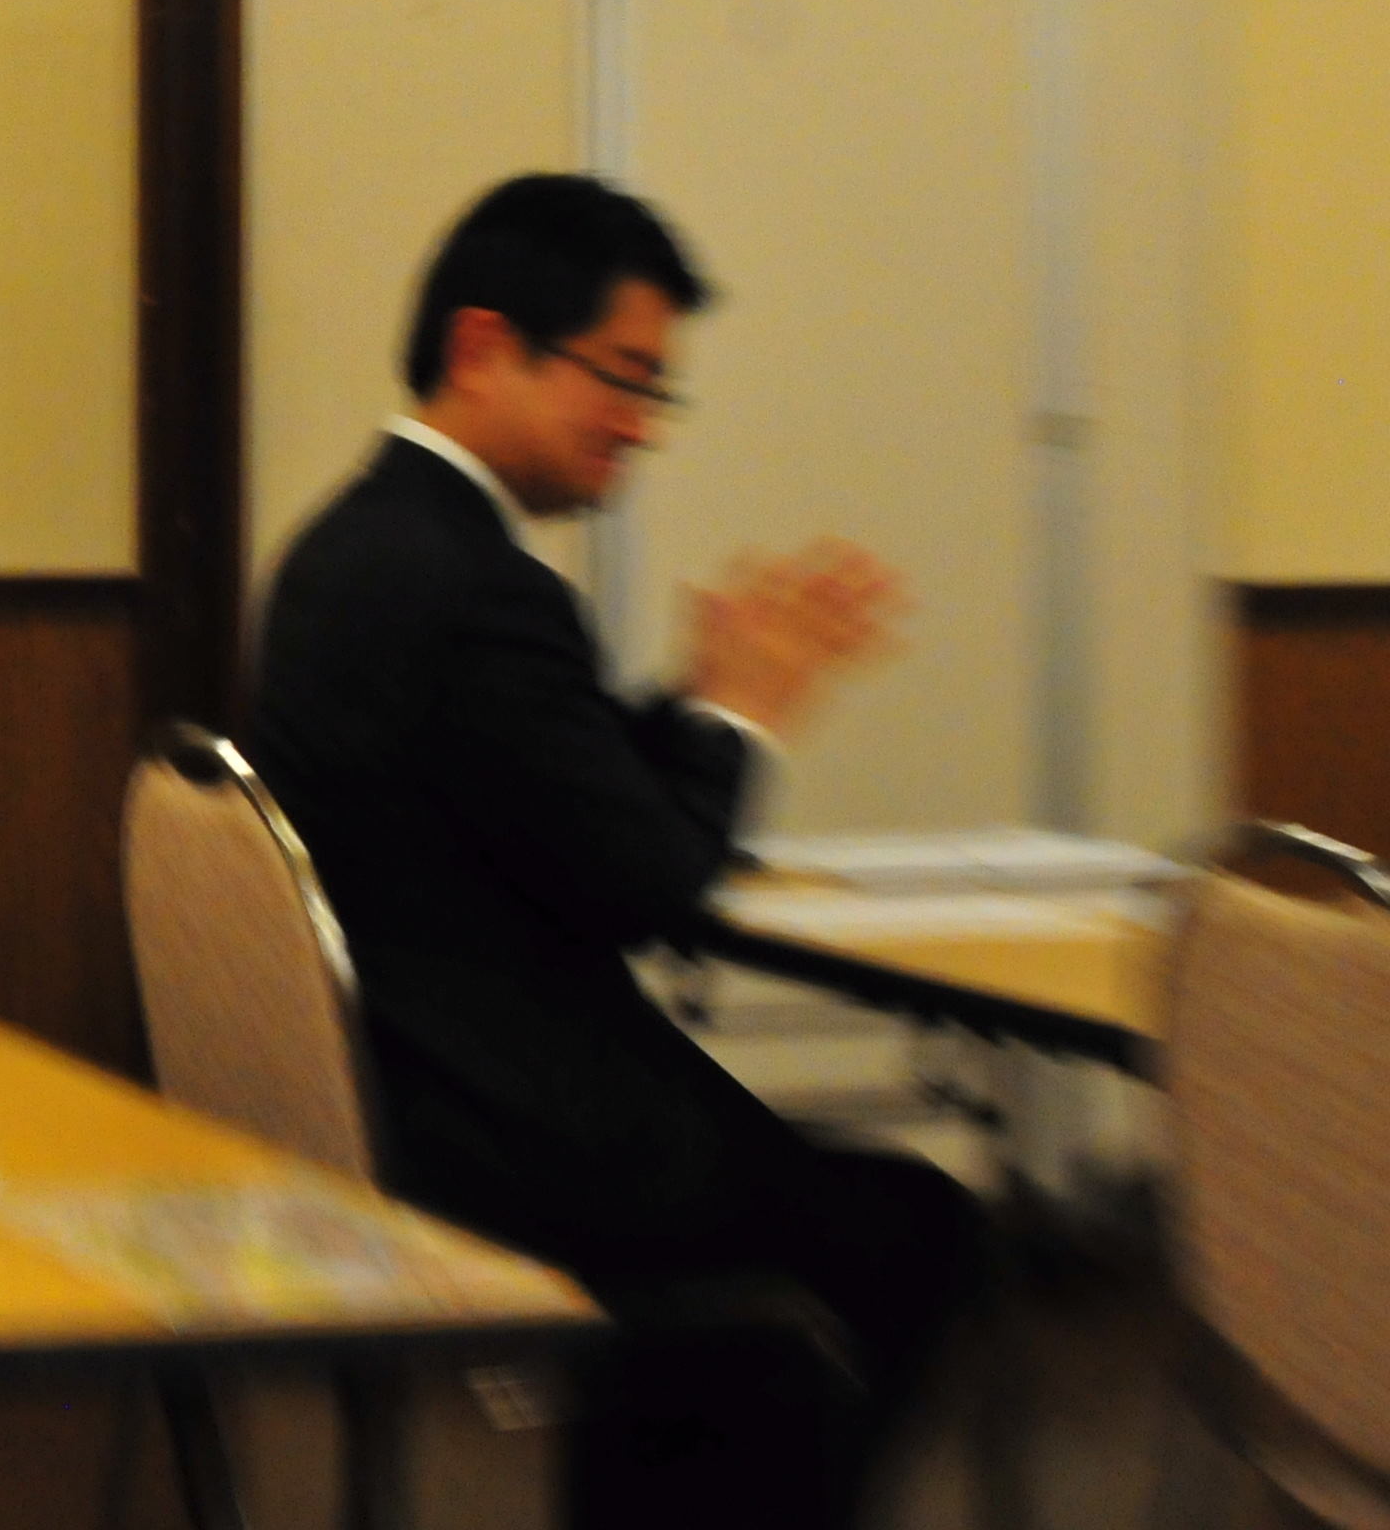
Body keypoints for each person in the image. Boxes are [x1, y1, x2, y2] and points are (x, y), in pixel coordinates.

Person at [242, 172, 982, 1530]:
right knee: (919, 1227)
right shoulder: (478, 584)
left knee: (860, 1214)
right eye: (623, 378)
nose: (643, 425)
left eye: (658, 391)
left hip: (410, 1098)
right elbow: (649, 887)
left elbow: (526, 787)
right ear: (485, 348)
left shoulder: (353, 547)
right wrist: (741, 716)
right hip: (510, 1140)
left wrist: (686, 703)